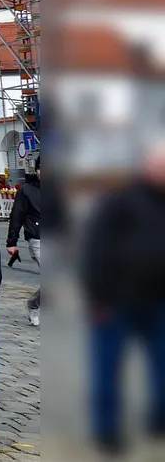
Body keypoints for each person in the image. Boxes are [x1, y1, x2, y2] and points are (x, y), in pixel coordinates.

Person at [79, 142, 165, 455]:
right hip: (116, 302)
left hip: (159, 302)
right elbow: (95, 248)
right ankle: (106, 430)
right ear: (147, 167)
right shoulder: (120, 201)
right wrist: (97, 297)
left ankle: (159, 419)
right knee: (107, 370)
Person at [5, 169, 42, 326]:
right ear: (38, 170)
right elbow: (17, 215)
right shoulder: (26, 191)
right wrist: (11, 242)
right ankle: (34, 305)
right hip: (38, 238)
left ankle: (34, 303)